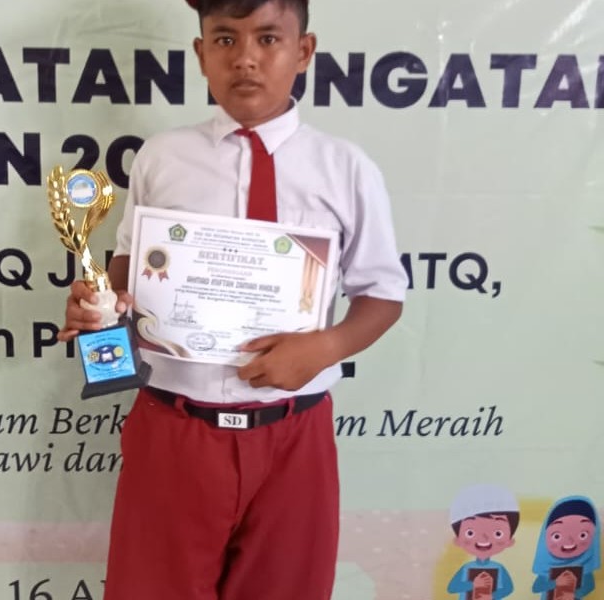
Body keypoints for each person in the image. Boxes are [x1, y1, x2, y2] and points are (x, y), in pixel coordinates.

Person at [58, 0, 407, 598]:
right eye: (224, 39)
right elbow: (128, 267)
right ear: (201, 54)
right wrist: (101, 305)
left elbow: (383, 294)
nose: (245, 58)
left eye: (268, 39)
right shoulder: (163, 156)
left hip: (293, 434)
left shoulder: (346, 169)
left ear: (303, 51)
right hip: (174, 426)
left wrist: (326, 347)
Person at [446, 484, 520, 600]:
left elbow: (507, 588)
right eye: (470, 533)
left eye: (498, 533)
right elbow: (452, 588)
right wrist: (473, 584)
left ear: (509, 541)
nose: (484, 538)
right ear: (458, 540)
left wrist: (492, 596)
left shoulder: (499, 568)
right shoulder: (466, 568)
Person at [531, 495, 601, 600]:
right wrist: (556, 583)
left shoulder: (584, 567)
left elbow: (590, 586)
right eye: (557, 536)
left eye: (583, 535)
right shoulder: (547, 568)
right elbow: (536, 587)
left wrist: (574, 592)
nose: (570, 542)